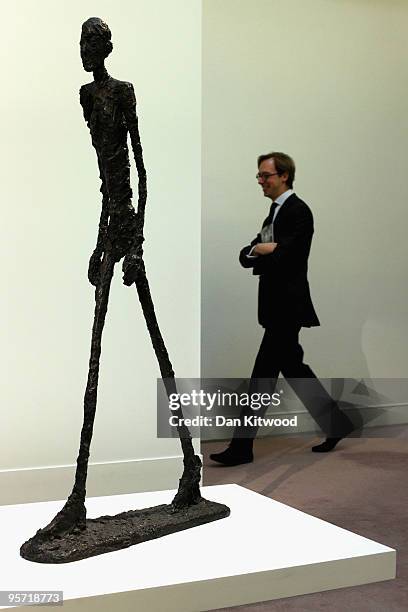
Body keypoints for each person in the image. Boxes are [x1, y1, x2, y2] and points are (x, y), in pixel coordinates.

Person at [210, 152, 353, 466]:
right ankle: (336, 422)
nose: (261, 181)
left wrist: (268, 250)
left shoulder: (299, 211)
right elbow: (246, 254)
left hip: (287, 306)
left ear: (284, 175)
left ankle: (241, 447)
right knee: (293, 367)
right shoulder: (273, 215)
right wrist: (263, 249)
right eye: (259, 176)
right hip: (275, 306)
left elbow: (292, 256)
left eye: (266, 175)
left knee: (262, 374)